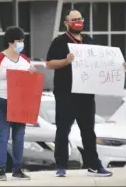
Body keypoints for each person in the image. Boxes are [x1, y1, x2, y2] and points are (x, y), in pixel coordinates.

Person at [46, 9, 113, 177]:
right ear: (66, 23)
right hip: (65, 93)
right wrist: (66, 61)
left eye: (79, 19)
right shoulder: (60, 41)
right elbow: (49, 63)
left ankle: (94, 165)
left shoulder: (89, 40)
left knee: (88, 131)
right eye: (73, 19)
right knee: (63, 130)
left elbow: (100, 62)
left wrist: (117, 64)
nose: (77, 21)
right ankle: (61, 165)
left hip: (86, 93)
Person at [0, 26, 36, 181]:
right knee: (3, 135)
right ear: (10, 42)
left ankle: (17, 169)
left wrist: (32, 73)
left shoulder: (25, 60)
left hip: (19, 103)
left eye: (22, 40)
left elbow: (30, 83)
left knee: (19, 136)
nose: (21, 43)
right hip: (2, 101)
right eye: (18, 40)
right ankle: (1, 169)